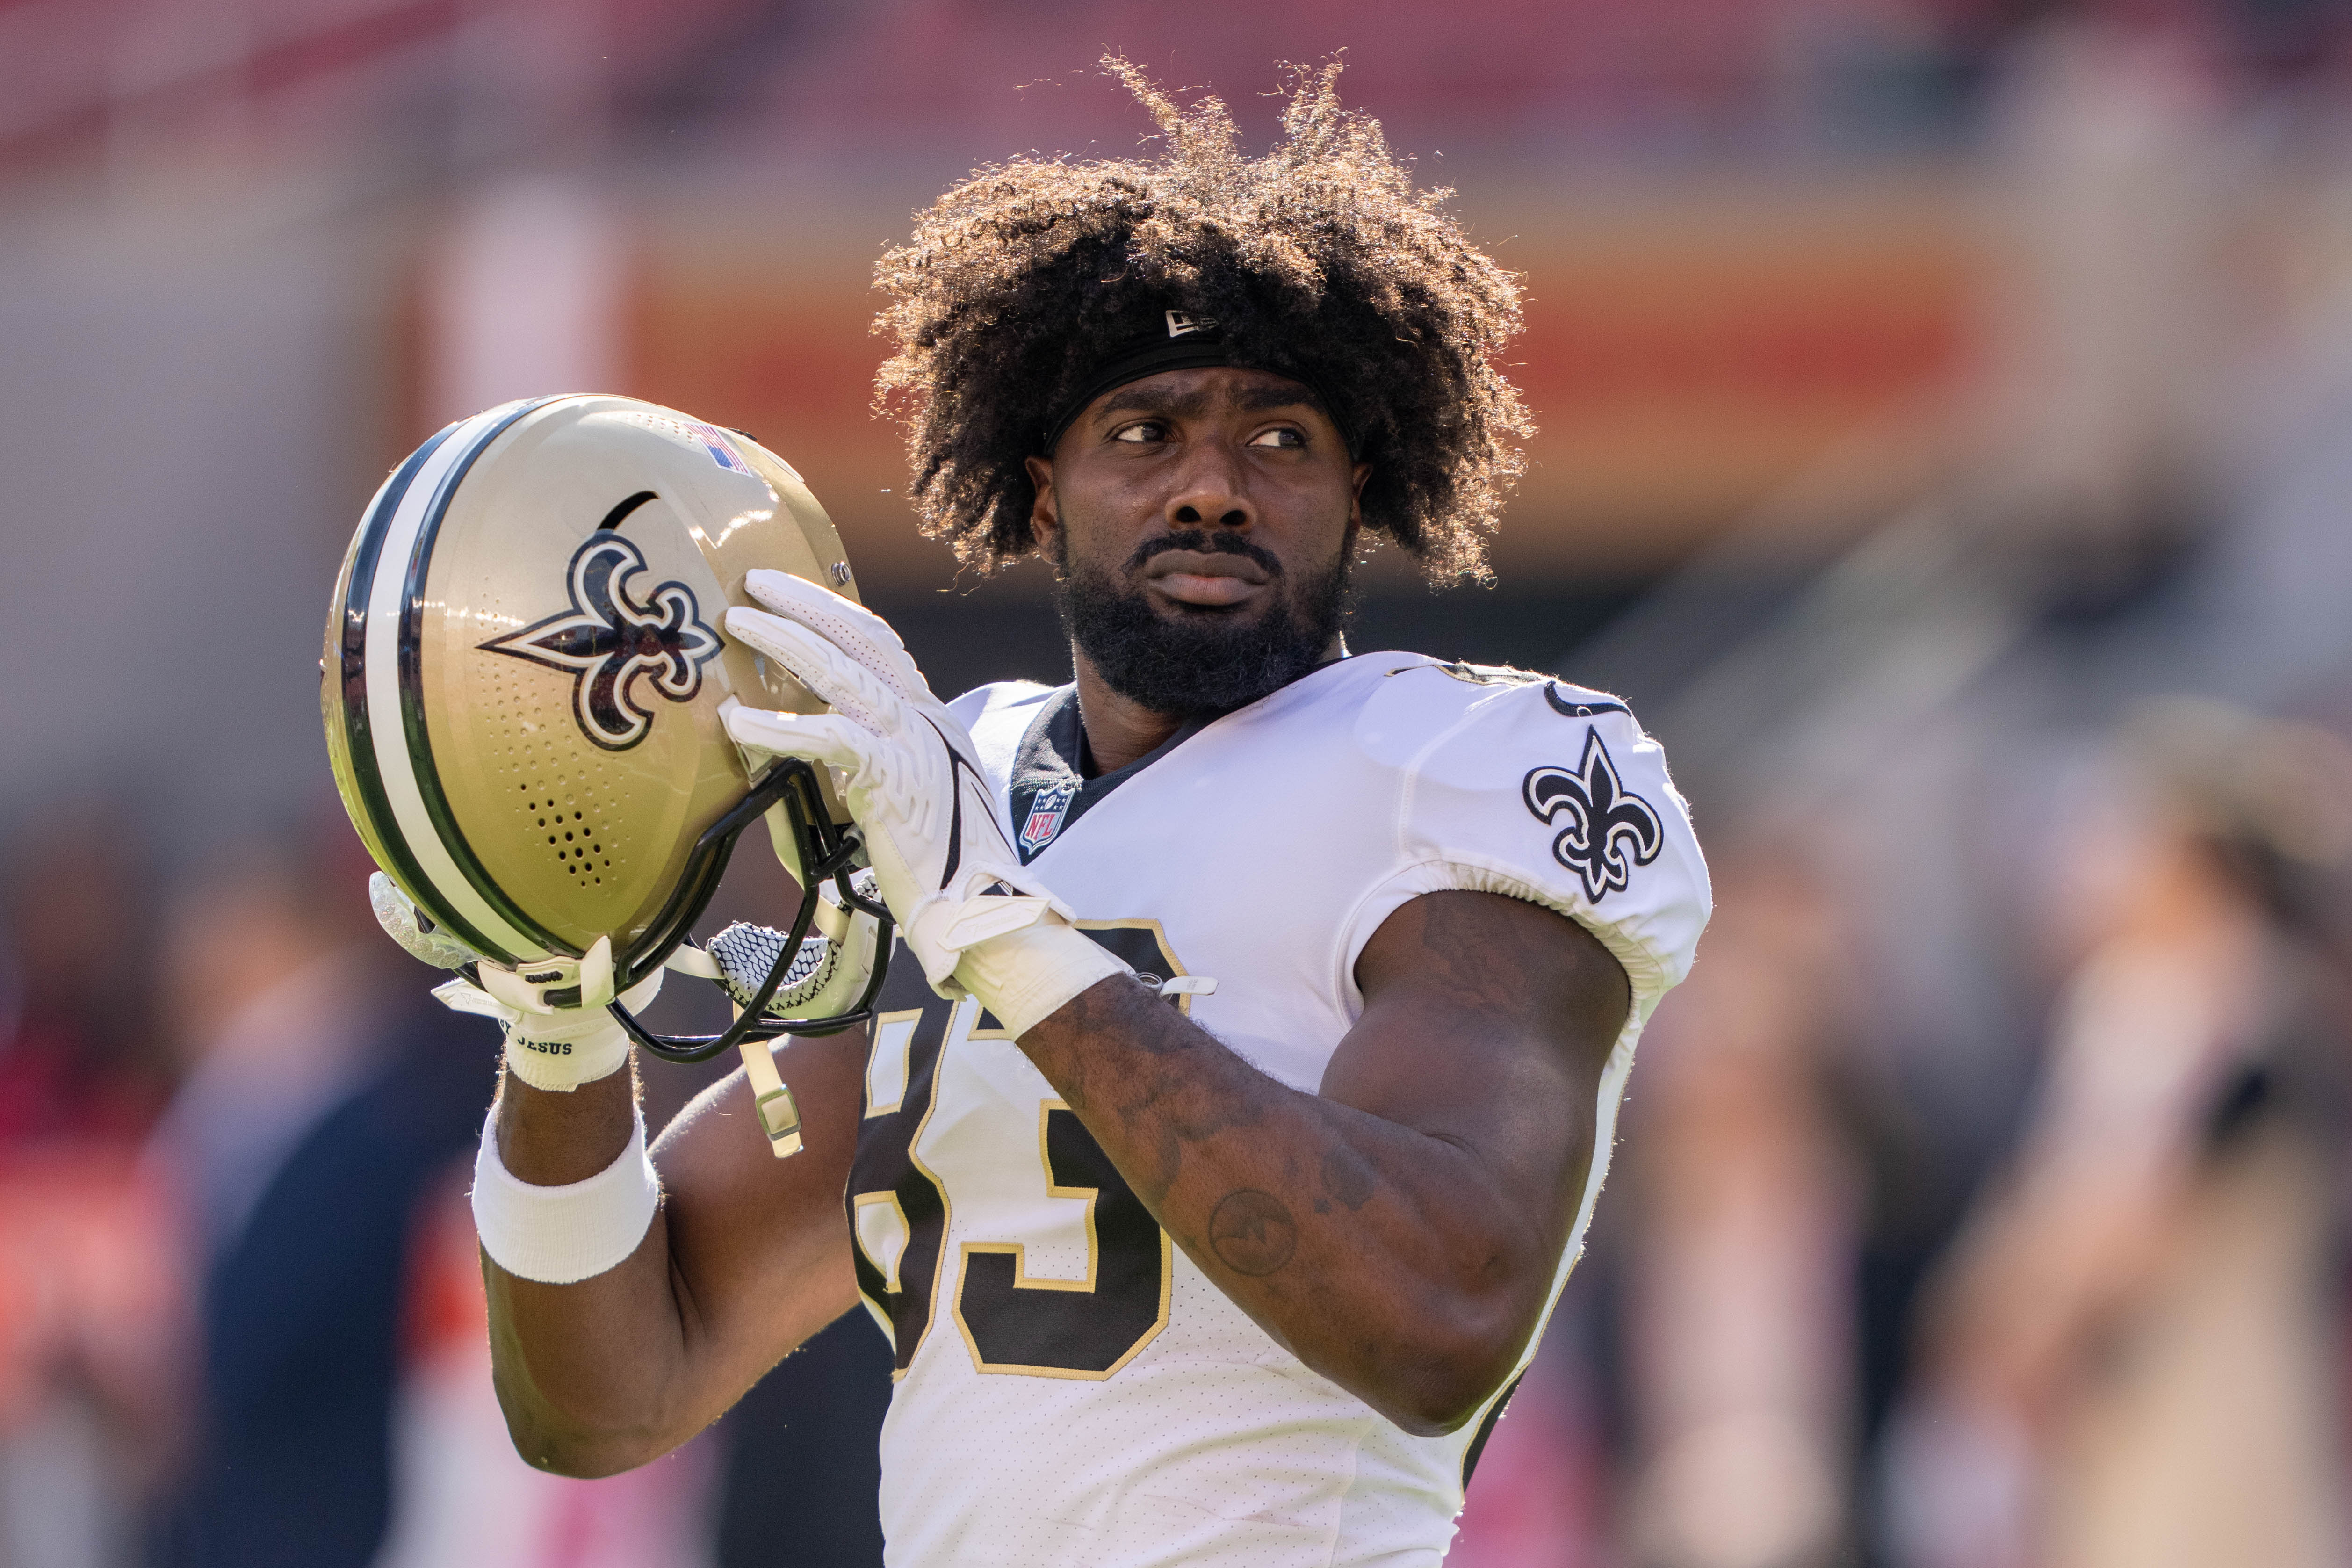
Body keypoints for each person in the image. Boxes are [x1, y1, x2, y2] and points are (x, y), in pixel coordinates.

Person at [458, 62, 1710, 1566]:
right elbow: (606, 1397)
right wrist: (556, 1033)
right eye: (1144, 433)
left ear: (1359, 490)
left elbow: (1441, 1318)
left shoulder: (1457, 764)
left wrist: (1002, 928)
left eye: (1278, 438)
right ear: (1038, 492)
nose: (1211, 489)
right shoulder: (958, 790)